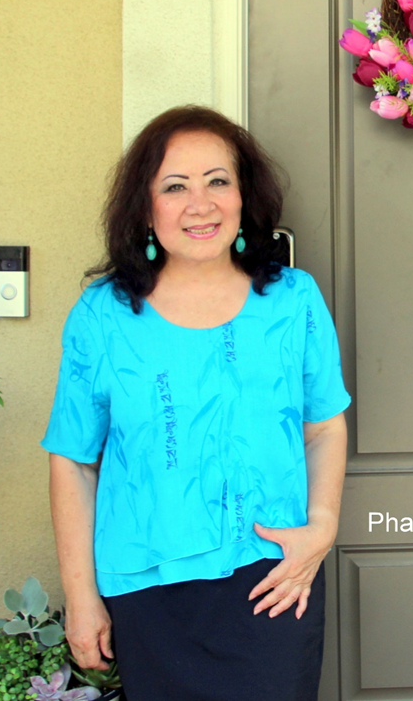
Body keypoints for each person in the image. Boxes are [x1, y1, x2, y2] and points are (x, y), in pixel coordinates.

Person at [42, 106, 351, 701]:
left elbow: (323, 430)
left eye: (217, 181)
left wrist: (322, 527)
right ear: (145, 206)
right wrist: (81, 598)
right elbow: (73, 462)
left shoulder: (294, 302)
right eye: (175, 187)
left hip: (275, 576)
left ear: (243, 196)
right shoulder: (103, 315)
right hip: (147, 590)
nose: (200, 204)